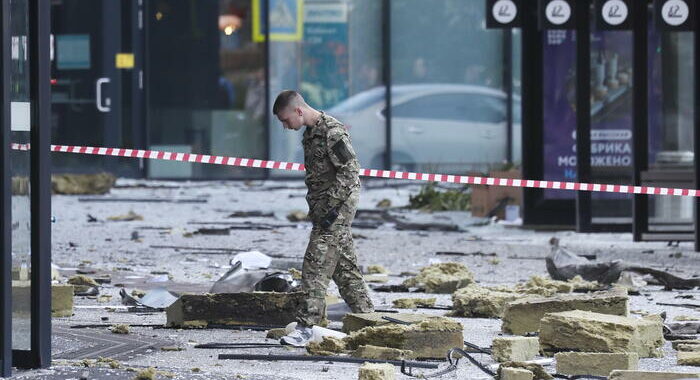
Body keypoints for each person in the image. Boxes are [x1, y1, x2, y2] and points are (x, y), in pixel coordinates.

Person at [272, 90, 375, 346]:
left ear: (298, 110)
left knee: (315, 266)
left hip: (336, 210)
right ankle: (369, 318)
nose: (286, 127)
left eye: (286, 120)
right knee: (344, 268)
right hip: (324, 212)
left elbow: (350, 173)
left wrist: (330, 209)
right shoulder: (310, 134)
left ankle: (307, 327)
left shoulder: (332, 131)